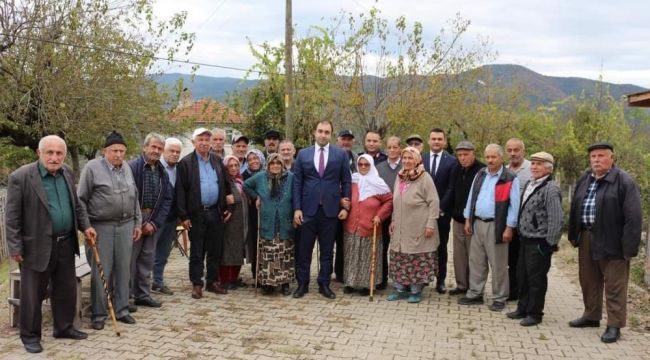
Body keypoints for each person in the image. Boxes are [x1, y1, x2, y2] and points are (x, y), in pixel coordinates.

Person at [5, 135, 97, 353]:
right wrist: (15, 246)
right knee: (32, 294)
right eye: (50, 152)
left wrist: (86, 227)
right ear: (39, 153)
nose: (55, 157)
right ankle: (30, 336)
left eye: (59, 153)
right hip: (34, 246)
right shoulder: (21, 177)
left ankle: (64, 328)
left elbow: (76, 206)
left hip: (65, 242)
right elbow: (12, 217)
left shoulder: (67, 172)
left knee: (65, 289)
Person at [567, 142, 641, 343]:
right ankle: (591, 316)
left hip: (614, 241)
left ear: (612, 158)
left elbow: (633, 217)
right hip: (588, 237)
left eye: (601, 156)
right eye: (593, 157)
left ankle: (614, 325)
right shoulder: (585, 179)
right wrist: (573, 234)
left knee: (615, 286)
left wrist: (630, 247)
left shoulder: (624, 181)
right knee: (589, 280)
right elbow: (575, 206)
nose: (596, 160)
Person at [78, 131, 142, 330]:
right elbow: (80, 199)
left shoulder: (127, 169)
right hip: (101, 227)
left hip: (126, 225)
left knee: (124, 269)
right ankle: (99, 313)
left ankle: (122, 309)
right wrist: (86, 225)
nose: (119, 154)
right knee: (101, 271)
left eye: (122, 151)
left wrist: (138, 223)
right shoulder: (92, 168)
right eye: (115, 150)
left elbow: (135, 197)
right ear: (105, 150)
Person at [293, 120, 352, 299]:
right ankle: (302, 284)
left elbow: (346, 181)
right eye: (320, 131)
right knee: (304, 250)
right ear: (314, 132)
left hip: (331, 210)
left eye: (327, 132)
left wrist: (346, 206)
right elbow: (297, 183)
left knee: (327, 250)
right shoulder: (303, 154)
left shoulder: (340, 154)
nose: (323, 135)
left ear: (331, 135)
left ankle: (324, 283)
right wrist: (297, 208)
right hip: (308, 209)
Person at [459, 144, 520, 312]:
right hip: (477, 223)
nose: (490, 160)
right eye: (487, 157)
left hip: (497, 225)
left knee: (498, 263)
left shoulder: (509, 178)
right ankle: (475, 293)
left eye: (494, 157)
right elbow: (472, 197)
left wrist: (509, 227)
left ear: (501, 158)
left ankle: (500, 297)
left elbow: (514, 205)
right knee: (476, 261)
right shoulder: (480, 174)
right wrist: (468, 219)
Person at [506, 152, 562, 326]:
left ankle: (535, 313)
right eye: (533, 163)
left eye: (539, 164)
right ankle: (522, 308)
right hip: (525, 239)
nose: (534, 167)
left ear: (548, 168)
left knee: (536, 280)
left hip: (539, 242)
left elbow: (556, 218)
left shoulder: (550, 188)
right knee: (521, 276)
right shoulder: (531, 183)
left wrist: (549, 244)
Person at [176, 128, 233, 299]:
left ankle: (212, 281)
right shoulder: (186, 163)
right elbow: (180, 191)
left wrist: (228, 206)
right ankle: (197, 284)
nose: (204, 143)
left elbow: (226, 183)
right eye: (200, 139)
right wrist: (183, 216)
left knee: (215, 249)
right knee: (197, 251)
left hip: (215, 212)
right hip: (196, 214)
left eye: (207, 140)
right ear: (194, 142)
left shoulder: (216, 160)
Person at [387, 147, 439, 303]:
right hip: (400, 225)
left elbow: (434, 201)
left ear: (417, 160)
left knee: (416, 257)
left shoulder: (425, 178)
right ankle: (400, 289)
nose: (407, 161)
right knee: (400, 255)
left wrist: (431, 224)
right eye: (404, 158)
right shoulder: (400, 176)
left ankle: (416, 291)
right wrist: (393, 220)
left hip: (418, 225)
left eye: (410, 158)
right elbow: (397, 201)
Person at [127, 133, 173, 309]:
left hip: (152, 220)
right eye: (153, 147)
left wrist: (154, 223)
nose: (156, 151)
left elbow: (167, 199)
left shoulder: (162, 172)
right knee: (130, 260)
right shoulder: (132, 168)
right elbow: (128, 197)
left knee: (147, 259)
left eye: (159, 148)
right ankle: (127, 297)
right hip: (134, 220)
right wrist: (139, 223)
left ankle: (143, 295)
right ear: (144, 147)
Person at [244, 154, 296, 295]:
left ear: (282, 164)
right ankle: (268, 284)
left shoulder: (291, 177)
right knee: (268, 254)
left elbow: (297, 194)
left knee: (285, 254)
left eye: (278, 163)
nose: (275, 166)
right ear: (268, 164)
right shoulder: (261, 177)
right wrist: (256, 197)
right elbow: (246, 185)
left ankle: (285, 283)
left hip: (285, 222)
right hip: (268, 222)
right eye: (272, 163)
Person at [342, 155, 393, 295]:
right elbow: (343, 195)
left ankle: (367, 285)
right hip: (352, 226)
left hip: (370, 226)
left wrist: (380, 216)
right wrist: (342, 203)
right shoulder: (353, 180)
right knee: (351, 256)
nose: (363, 167)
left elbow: (389, 201)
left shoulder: (379, 183)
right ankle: (351, 283)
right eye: (361, 164)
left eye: (366, 165)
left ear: (371, 166)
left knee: (368, 257)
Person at [448, 141, 485, 296]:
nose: (462, 158)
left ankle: (475, 288)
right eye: (460, 155)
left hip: (473, 221)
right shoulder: (456, 168)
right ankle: (462, 285)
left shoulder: (482, 170)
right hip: (457, 220)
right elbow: (451, 190)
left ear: (473, 153)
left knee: (474, 256)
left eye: (465, 155)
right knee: (459, 256)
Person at [421, 128, 456, 294]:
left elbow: (451, 187)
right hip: (421, 212)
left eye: (439, 139)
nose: (436, 141)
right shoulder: (421, 159)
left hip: (442, 213)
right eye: (433, 138)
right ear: (428, 140)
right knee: (422, 247)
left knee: (440, 247)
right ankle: (421, 278)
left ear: (444, 142)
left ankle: (440, 280)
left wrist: (439, 207)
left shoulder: (452, 161)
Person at [152, 137, 183, 296]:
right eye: (172, 150)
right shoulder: (155, 168)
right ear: (164, 150)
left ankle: (157, 281)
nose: (175, 154)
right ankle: (141, 286)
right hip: (155, 219)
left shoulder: (179, 170)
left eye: (178, 152)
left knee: (163, 253)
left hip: (171, 219)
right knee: (148, 252)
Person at [505, 138, 532, 301]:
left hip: (526, 223)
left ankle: (525, 292)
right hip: (509, 222)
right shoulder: (504, 169)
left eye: (516, 150)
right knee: (510, 259)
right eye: (509, 150)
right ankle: (512, 291)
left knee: (525, 260)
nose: (513, 153)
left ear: (523, 151)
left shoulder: (531, 168)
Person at [375, 136, 402, 290]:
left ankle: (400, 279)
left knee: (399, 250)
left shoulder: (405, 167)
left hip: (400, 215)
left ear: (400, 149)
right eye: (389, 147)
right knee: (382, 247)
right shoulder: (379, 168)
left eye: (395, 147)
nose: (392, 150)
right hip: (384, 214)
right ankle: (382, 279)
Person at [219, 155, 249, 290]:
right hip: (230, 222)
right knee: (228, 251)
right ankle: (225, 280)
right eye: (230, 166)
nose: (234, 168)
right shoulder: (224, 182)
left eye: (236, 165)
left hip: (241, 222)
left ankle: (234, 278)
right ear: (225, 167)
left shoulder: (240, 180)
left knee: (238, 250)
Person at [334, 129, 357, 282]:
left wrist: (347, 203)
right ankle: (328, 272)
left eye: (349, 139)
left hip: (351, 206)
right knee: (330, 240)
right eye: (343, 139)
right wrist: (339, 199)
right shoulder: (331, 157)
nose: (346, 142)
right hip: (332, 205)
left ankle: (343, 273)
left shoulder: (358, 159)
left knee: (346, 241)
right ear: (338, 140)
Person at [242, 148, 266, 280]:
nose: (253, 161)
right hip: (251, 214)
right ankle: (256, 274)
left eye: (255, 158)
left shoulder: (267, 173)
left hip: (266, 213)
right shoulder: (244, 175)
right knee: (255, 244)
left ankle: (267, 273)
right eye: (250, 159)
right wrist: (256, 196)